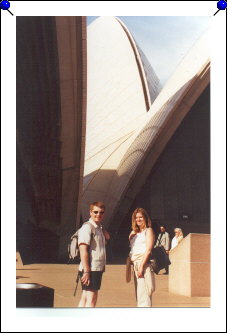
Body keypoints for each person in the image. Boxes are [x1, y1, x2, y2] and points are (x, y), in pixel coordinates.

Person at [78, 201, 108, 307]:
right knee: (92, 298)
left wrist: (100, 226)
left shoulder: (98, 227)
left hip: (95, 268)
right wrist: (87, 271)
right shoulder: (87, 228)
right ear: (90, 212)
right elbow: (83, 250)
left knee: (85, 296)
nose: (98, 215)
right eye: (95, 212)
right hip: (91, 268)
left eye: (101, 213)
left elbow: (108, 237)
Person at [129, 208, 156, 307]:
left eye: (141, 217)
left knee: (145, 295)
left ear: (145, 218)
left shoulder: (148, 231)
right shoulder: (135, 233)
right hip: (136, 265)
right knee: (140, 295)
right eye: (136, 218)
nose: (138, 219)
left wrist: (141, 267)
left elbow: (148, 250)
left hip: (143, 265)